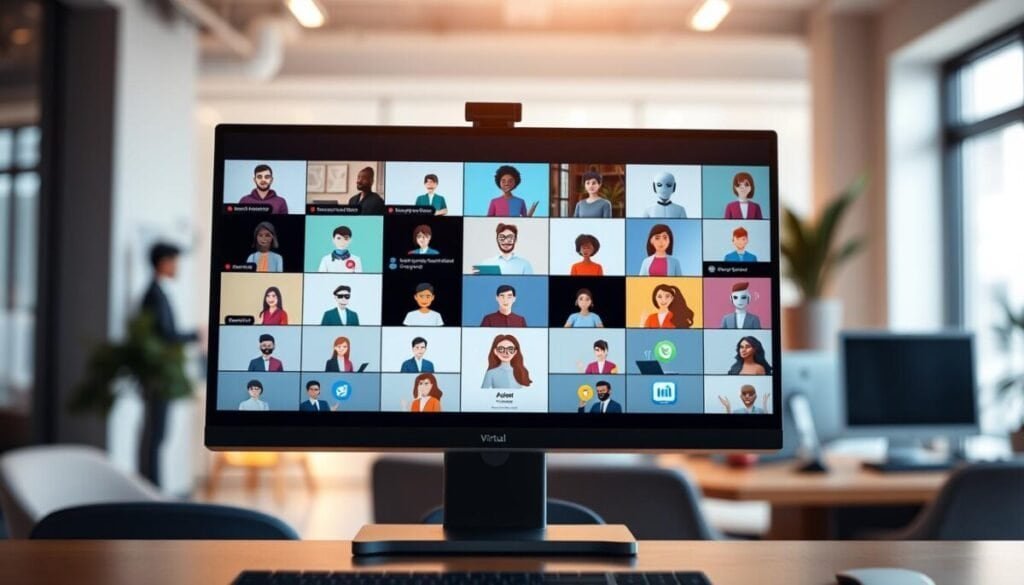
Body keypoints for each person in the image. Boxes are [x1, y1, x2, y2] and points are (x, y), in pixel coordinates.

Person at [139, 242, 199, 487]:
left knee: (157, 434)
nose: (177, 267)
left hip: (160, 375)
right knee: (156, 434)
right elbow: (166, 335)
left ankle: (153, 487)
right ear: (163, 262)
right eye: (174, 261)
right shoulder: (154, 294)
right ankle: (153, 489)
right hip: (159, 376)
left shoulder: (158, 292)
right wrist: (196, 335)